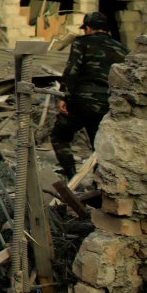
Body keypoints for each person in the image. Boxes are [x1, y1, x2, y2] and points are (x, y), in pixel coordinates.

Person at [51, 11, 129, 177]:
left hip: (80, 102)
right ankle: (99, 184)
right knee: (99, 146)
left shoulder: (82, 43)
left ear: (87, 28)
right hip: (106, 104)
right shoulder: (123, 49)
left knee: (60, 136)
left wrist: (63, 97)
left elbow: (72, 71)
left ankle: (72, 177)